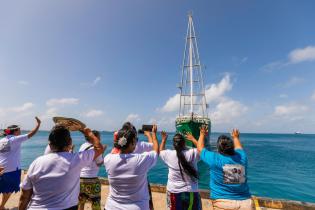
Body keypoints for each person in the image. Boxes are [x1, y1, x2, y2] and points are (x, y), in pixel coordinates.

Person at [19, 125, 105, 210]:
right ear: (70, 142)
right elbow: (99, 148)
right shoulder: (76, 160)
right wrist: (89, 133)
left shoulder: (36, 163)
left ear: (50, 144)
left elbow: (24, 196)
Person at [103, 124, 159, 210]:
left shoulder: (108, 159)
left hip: (112, 206)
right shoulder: (140, 160)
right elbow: (156, 151)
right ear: (133, 142)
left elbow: (115, 150)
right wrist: (153, 134)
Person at [197, 128, 254, 210]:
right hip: (245, 203)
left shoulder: (214, 159)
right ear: (232, 147)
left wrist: (202, 134)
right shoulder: (242, 157)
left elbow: (200, 149)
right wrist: (235, 137)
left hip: (223, 203)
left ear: (218, 149)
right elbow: (239, 147)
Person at [0, 117, 41, 210]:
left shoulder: (2, 140)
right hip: (11, 169)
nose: (20, 131)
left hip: (1, 168)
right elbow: (31, 134)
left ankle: (2, 206)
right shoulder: (15, 139)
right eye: (19, 130)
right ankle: (1, 207)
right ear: (15, 131)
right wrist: (38, 125)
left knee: (4, 189)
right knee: (8, 190)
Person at [160, 131, 202, 210]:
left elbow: (161, 151)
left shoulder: (168, 154)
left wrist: (163, 140)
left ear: (174, 144)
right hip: (191, 191)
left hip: (174, 192)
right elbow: (201, 150)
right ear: (184, 143)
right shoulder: (192, 153)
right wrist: (193, 139)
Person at [78, 130, 107, 210]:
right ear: (95, 138)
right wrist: (102, 151)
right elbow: (99, 163)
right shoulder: (96, 147)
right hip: (92, 179)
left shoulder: (82, 146)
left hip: (81, 179)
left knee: (81, 203)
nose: (100, 139)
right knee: (95, 204)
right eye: (99, 137)